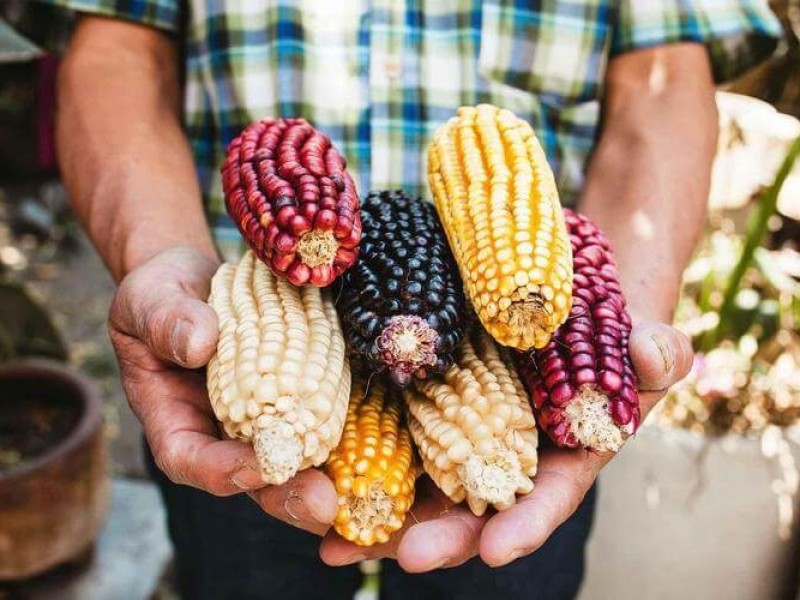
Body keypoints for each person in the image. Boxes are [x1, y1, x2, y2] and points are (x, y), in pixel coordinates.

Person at [43, 1, 780, 598]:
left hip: (516, 391)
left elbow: (664, 82)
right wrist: (157, 257)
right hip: (229, 366)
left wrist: (618, 316)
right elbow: (115, 54)